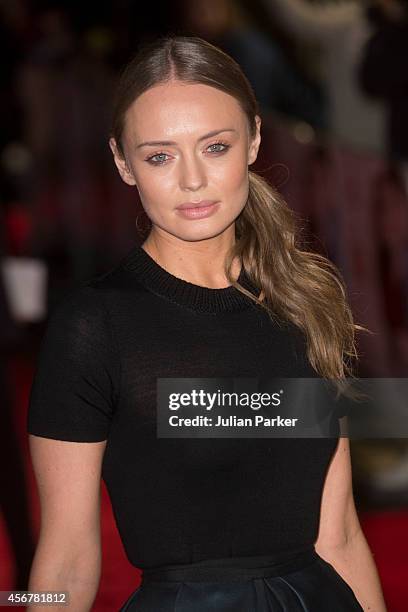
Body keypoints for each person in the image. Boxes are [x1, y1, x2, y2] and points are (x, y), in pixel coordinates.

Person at [26, 36, 386, 611]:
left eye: (215, 147)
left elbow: (338, 534)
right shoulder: (93, 327)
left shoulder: (306, 303)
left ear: (255, 140)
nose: (192, 180)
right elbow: (66, 558)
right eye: (160, 156)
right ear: (123, 163)